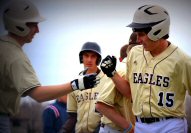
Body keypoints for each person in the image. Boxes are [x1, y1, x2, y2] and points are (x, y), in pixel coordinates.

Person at [0, 0, 99, 133]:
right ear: (19, 25)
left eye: (93, 56)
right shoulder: (14, 56)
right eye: (34, 25)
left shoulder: (4, 46)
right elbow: (38, 95)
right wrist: (76, 84)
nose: (38, 30)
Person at [100, 5, 191, 133]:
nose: (138, 39)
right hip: (141, 125)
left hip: (171, 125)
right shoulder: (135, 54)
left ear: (158, 30)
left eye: (141, 34)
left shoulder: (183, 60)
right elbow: (130, 94)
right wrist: (112, 74)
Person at [95, 32, 139, 133]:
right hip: (115, 130)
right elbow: (101, 105)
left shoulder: (135, 70)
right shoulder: (122, 70)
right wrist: (131, 129)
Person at [59, 42, 108, 133]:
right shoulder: (75, 83)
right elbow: (73, 116)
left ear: (98, 59)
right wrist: (63, 130)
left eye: (93, 56)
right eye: (86, 55)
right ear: (81, 57)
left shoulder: (107, 81)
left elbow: (109, 114)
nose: (89, 60)